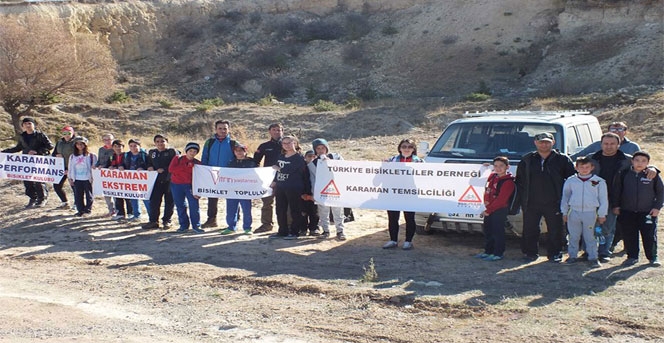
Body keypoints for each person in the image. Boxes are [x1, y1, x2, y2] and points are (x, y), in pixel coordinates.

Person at [516, 132, 575, 263]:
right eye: (541, 141)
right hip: (531, 201)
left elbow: (573, 180)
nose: (544, 144)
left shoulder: (563, 159)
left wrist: (568, 200)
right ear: (535, 143)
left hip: (555, 201)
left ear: (553, 143)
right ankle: (530, 253)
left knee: (555, 229)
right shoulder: (527, 159)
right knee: (530, 229)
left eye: (547, 142)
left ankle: (555, 254)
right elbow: (520, 181)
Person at [586, 132, 633, 263]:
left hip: (614, 199)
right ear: (601, 144)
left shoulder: (627, 160)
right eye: (606, 143)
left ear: (619, 144)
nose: (609, 146)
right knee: (590, 227)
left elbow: (642, 168)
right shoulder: (591, 158)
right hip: (592, 199)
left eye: (612, 144)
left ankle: (604, 252)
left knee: (608, 228)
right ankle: (589, 251)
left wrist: (653, 169)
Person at [611, 151, 663, 267]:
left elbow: (660, 192)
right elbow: (617, 190)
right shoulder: (624, 174)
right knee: (629, 235)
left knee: (649, 235)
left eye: (643, 161)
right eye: (637, 160)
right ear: (632, 161)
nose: (640, 163)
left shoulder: (653, 175)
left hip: (647, 212)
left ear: (648, 163)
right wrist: (616, 205)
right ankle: (632, 257)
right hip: (627, 211)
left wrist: (657, 207)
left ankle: (652, 257)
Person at [560, 156, 608, 267]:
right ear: (576, 168)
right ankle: (572, 256)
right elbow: (565, 197)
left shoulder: (598, 181)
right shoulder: (571, 181)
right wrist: (565, 212)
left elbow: (603, 198)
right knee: (573, 235)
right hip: (574, 212)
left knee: (590, 236)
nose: (584, 169)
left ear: (592, 167)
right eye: (581, 167)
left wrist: (602, 214)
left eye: (587, 167)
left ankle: (593, 258)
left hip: (590, 212)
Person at [1, 117, 54, 208]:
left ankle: (42, 199)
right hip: (26, 162)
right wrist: (4, 152)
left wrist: (37, 151)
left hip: (38, 161)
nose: (27, 126)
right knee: (27, 181)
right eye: (25, 124)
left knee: (38, 180)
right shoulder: (22, 136)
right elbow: (18, 148)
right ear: (23, 126)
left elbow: (50, 146)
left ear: (33, 125)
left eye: (29, 123)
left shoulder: (40, 135)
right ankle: (33, 198)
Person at [383, 138, 424, 250]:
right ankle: (393, 240)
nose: (406, 149)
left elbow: (425, 178)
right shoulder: (392, 160)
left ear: (413, 149)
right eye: (404, 147)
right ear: (400, 148)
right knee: (392, 217)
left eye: (409, 147)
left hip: (410, 194)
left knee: (409, 218)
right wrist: (383, 166)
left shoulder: (419, 162)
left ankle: (408, 241)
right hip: (394, 193)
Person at [269, 135, 309, 240]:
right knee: (280, 209)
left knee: (294, 210)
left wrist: (278, 169)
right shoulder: (281, 156)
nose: (286, 145)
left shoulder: (299, 157)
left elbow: (289, 170)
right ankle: (282, 231)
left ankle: (295, 232)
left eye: (289, 143)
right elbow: (277, 172)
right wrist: (274, 182)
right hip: (281, 186)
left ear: (294, 143)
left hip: (294, 187)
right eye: (284, 143)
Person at [476, 156, 515, 261]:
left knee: (497, 231)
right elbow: (479, 178)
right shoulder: (493, 176)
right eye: (496, 166)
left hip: (499, 209)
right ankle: (488, 251)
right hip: (489, 208)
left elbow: (502, 200)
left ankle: (498, 253)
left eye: (501, 166)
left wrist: (489, 210)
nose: (498, 168)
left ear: (507, 167)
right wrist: (483, 168)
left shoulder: (508, 182)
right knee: (488, 230)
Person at [308, 138, 347, 240]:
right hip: (322, 190)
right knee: (323, 211)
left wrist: (331, 163)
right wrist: (314, 193)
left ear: (327, 148)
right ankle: (325, 230)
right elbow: (313, 179)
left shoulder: (336, 157)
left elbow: (344, 169)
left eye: (323, 148)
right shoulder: (313, 164)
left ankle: (340, 230)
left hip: (335, 188)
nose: (321, 150)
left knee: (337, 210)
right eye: (318, 148)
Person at [200, 120, 237, 228]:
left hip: (229, 175)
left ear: (228, 129)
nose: (222, 130)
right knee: (212, 198)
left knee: (232, 199)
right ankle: (211, 220)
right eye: (220, 128)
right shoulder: (209, 142)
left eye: (225, 128)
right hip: (212, 174)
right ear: (216, 129)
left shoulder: (234, 143)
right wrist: (204, 171)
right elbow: (204, 156)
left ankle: (233, 221)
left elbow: (239, 157)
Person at [221, 142, 257, 235]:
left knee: (246, 209)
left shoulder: (251, 162)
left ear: (245, 152)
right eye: (237, 151)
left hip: (245, 190)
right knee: (231, 209)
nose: (239, 153)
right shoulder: (231, 162)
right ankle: (231, 227)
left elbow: (256, 175)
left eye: (241, 151)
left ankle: (247, 228)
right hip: (232, 190)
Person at [253, 123, 284, 233]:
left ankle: (285, 226)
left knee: (283, 204)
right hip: (268, 179)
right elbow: (255, 161)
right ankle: (266, 224)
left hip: (284, 178)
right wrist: (259, 175)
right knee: (267, 203)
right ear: (270, 131)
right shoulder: (264, 146)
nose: (277, 132)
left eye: (279, 130)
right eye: (274, 130)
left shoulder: (287, 144)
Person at [143, 134, 178, 230]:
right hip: (156, 181)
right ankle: (153, 221)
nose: (160, 143)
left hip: (169, 180)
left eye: (162, 141)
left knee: (169, 202)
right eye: (157, 141)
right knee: (154, 202)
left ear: (166, 142)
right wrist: (149, 167)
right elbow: (148, 162)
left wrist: (164, 169)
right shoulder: (151, 152)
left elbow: (175, 164)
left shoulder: (172, 152)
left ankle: (167, 221)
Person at [169, 142, 204, 233]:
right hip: (176, 185)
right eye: (190, 151)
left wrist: (198, 190)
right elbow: (171, 169)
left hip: (190, 186)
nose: (192, 153)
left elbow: (200, 178)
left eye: (195, 151)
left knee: (194, 206)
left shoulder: (197, 163)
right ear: (186, 151)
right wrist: (185, 166)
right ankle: (183, 225)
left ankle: (196, 226)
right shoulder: (178, 158)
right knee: (180, 206)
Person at [572, 121, 641, 159]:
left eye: (620, 129)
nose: (616, 132)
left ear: (625, 132)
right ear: (608, 131)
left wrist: (651, 168)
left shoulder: (633, 147)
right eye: (613, 129)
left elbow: (642, 162)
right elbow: (577, 156)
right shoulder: (597, 145)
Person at [120, 138, 150, 222]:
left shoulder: (145, 155)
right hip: (131, 180)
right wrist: (121, 166)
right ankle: (136, 215)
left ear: (139, 146)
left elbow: (150, 165)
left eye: (135, 146)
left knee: (146, 198)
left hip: (143, 180)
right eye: (131, 146)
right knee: (133, 197)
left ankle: (152, 216)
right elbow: (123, 163)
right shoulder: (126, 155)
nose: (133, 148)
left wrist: (143, 168)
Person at [52, 126, 80, 209]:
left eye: (69, 133)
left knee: (74, 187)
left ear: (73, 133)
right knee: (57, 185)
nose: (67, 135)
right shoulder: (59, 142)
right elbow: (54, 153)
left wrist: (69, 169)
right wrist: (57, 155)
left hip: (73, 168)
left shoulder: (76, 142)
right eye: (64, 133)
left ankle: (77, 204)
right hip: (61, 168)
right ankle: (65, 202)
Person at [67, 137, 97, 217]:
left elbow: (94, 166)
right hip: (76, 178)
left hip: (88, 178)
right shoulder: (72, 156)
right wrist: (70, 178)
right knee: (78, 195)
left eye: (82, 144)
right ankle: (80, 210)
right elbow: (70, 168)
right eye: (78, 144)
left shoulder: (91, 156)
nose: (80, 146)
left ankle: (87, 210)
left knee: (89, 195)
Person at [106, 139, 133, 221]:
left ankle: (130, 213)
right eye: (115, 146)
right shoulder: (111, 156)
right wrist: (109, 167)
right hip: (116, 181)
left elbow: (129, 165)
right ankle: (120, 213)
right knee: (118, 197)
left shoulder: (127, 155)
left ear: (123, 147)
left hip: (127, 180)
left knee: (128, 197)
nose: (118, 148)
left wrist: (121, 167)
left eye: (119, 146)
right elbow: (108, 165)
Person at [96, 133, 116, 216]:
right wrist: (96, 165)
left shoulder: (116, 149)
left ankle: (117, 210)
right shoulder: (101, 149)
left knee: (115, 193)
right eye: (105, 139)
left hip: (113, 174)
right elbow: (99, 160)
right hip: (103, 174)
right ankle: (111, 210)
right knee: (106, 193)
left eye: (109, 139)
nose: (107, 141)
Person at [302, 150, 321, 236]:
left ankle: (314, 228)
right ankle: (302, 228)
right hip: (303, 192)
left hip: (315, 192)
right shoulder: (301, 166)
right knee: (303, 212)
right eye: (309, 156)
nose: (312, 158)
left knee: (315, 212)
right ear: (305, 157)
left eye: (314, 156)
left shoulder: (319, 167)